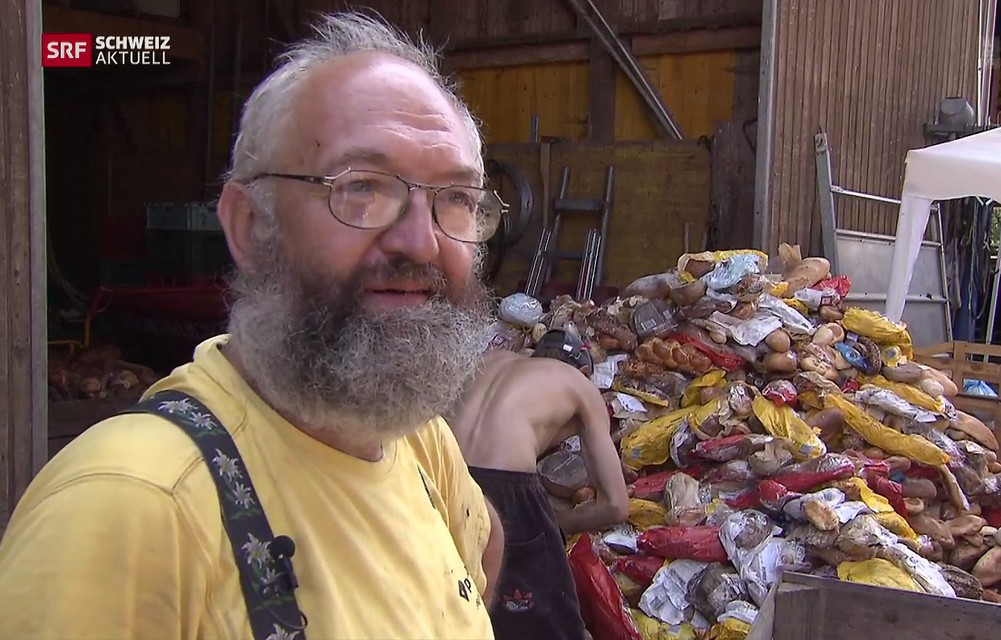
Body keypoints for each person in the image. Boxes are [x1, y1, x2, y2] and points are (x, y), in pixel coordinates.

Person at [0, 12, 507, 639]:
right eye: (363, 188)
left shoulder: (420, 443)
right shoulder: (130, 508)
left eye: (455, 197)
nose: (423, 242)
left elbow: (478, 558)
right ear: (250, 226)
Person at [445, 328, 630, 640]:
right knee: (551, 620)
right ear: (583, 369)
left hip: (442, 473)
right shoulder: (579, 386)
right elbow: (615, 505)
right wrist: (555, 525)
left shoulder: (490, 361)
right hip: (504, 487)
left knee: (452, 593)